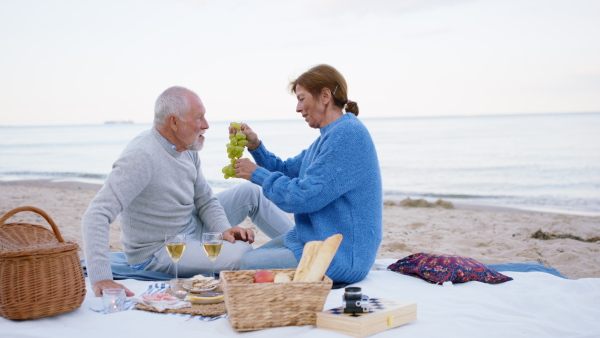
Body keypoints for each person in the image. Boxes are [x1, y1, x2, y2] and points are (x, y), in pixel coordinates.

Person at [81, 86, 293, 297]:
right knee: (242, 253)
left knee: (252, 191)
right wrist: (102, 278)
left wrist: (222, 229)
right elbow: (96, 214)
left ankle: (304, 243)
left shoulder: (186, 148)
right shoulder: (141, 157)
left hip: (190, 226)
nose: (206, 125)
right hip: (160, 249)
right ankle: (293, 257)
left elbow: (205, 199)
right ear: (174, 122)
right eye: (199, 118)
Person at [234, 64, 382, 284]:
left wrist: (256, 174)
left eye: (302, 99)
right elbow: (286, 170)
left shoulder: (348, 135)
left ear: (324, 96)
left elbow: (302, 197)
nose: (297, 107)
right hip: (311, 239)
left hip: (339, 257)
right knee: (244, 258)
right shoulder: (328, 137)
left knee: (245, 264)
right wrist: (256, 147)